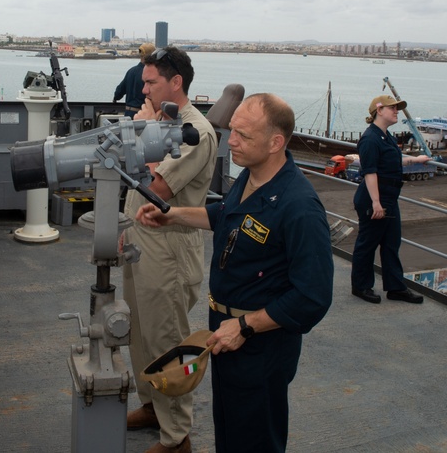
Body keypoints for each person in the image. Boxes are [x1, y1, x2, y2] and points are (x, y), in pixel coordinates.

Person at [135, 93, 334, 453]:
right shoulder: (251, 178)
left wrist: (245, 326)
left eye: (244, 136)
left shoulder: (299, 207)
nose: (232, 142)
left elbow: (312, 297)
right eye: (233, 131)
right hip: (225, 336)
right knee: (231, 432)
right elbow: (225, 214)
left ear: (276, 143)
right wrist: (174, 214)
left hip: (260, 344)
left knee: (255, 438)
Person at [122, 45, 218, 453]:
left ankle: (177, 436)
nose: (142, 88)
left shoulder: (194, 131)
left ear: (175, 83)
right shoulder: (162, 120)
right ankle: (151, 404)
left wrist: (144, 133)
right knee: (139, 334)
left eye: (150, 82)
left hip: (169, 250)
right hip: (141, 240)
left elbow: (158, 190)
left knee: (167, 340)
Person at [350, 95, 432, 305]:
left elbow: (393, 161)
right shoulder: (370, 139)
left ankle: (395, 287)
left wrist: (416, 159)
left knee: (391, 243)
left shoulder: (385, 136)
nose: (397, 112)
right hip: (374, 198)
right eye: (392, 108)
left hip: (389, 197)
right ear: (379, 110)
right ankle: (361, 286)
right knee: (367, 243)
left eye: (397, 109)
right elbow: (370, 172)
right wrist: (376, 203)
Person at [113, 42, 156, 118]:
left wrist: (115, 99)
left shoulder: (131, 71)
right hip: (142, 115)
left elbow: (119, 91)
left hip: (128, 114)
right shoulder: (151, 74)